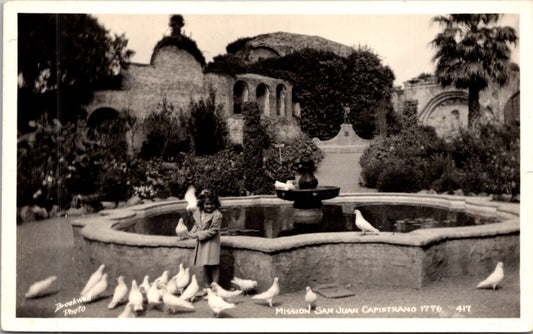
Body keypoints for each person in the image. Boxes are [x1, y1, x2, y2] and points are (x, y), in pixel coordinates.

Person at [187, 189, 222, 289]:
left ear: (216, 204)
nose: (209, 206)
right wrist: (191, 233)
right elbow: (197, 225)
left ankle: (215, 288)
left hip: (212, 243)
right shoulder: (199, 213)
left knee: (214, 265)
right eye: (207, 204)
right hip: (202, 243)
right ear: (202, 204)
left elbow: (213, 230)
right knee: (205, 265)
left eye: (212, 204)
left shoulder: (217, 215)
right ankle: (207, 287)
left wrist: (197, 234)